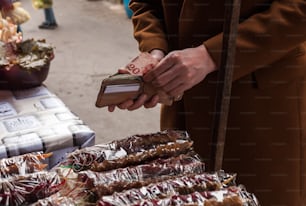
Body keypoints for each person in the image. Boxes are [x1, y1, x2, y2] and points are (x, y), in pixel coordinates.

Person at [107, 0, 306, 205]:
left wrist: (213, 54)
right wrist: (156, 50)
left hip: (260, 106)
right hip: (184, 102)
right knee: (186, 193)